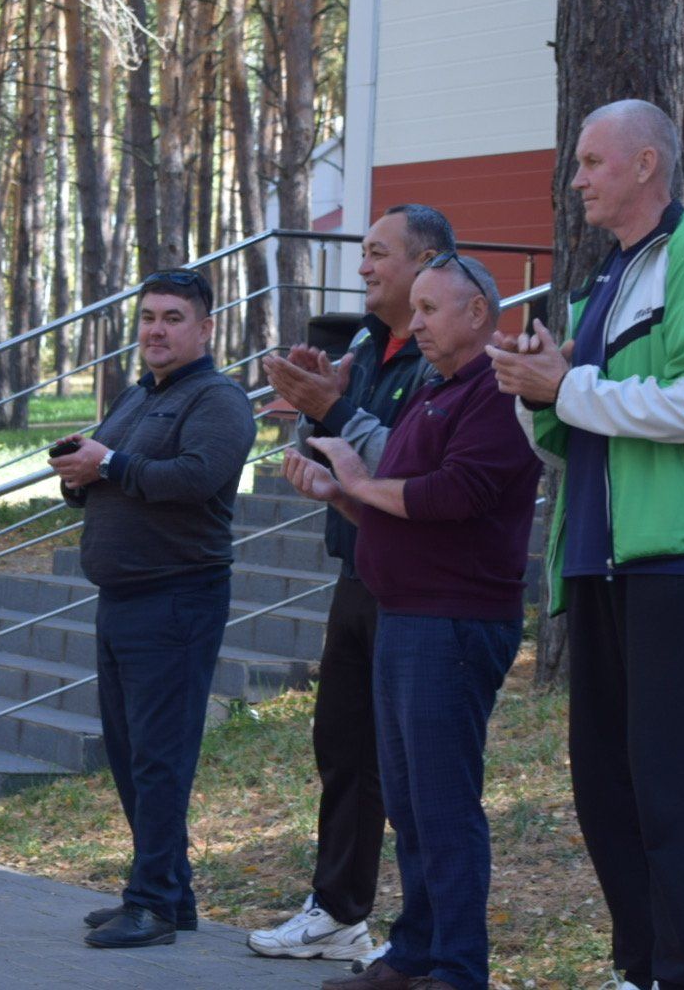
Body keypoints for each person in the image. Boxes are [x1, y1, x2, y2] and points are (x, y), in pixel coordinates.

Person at [488, 99, 684, 990]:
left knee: (672, 789)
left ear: (647, 164)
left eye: (591, 163)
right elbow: (575, 436)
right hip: (595, 559)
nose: (576, 182)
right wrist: (536, 394)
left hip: (680, 554)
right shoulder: (602, 280)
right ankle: (637, 968)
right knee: (604, 788)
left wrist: (568, 385)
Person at [285, 255, 541, 990]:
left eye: (432, 310)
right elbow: (395, 506)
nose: (417, 323)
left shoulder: (496, 389)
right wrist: (339, 493)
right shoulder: (435, 390)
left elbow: (453, 496)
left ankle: (459, 968)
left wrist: (362, 480)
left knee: (441, 803)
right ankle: (417, 950)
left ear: (479, 315)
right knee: (406, 801)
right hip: (405, 616)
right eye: (416, 309)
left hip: (454, 623)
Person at [248, 205, 455, 963]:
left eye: (378, 253)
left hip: (417, 583)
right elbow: (344, 449)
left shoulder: (442, 355)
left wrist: (330, 404)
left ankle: (426, 938)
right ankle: (339, 911)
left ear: (427, 260)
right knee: (342, 745)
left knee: (410, 765)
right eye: (363, 253)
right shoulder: (370, 344)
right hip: (357, 567)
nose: (364, 267)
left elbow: (401, 460)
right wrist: (312, 403)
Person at [49, 270, 256, 949]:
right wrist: (83, 472)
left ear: (205, 327)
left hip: (177, 599)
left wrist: (109, 466)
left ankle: (153, 906)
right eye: (147, 319)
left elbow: (196, 479)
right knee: (131, 752)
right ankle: (170, 891)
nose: (157, 331)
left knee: (159, 759)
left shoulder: (218, 399)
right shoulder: (140, 395)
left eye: (172, 318)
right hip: (123, 598)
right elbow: (113, 468)